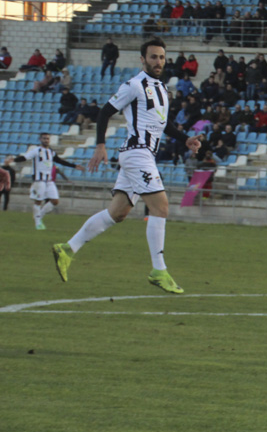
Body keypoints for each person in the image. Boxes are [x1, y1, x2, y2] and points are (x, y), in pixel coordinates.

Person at [51, 38, 201, 294]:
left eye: (162, 57)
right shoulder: (134, 85)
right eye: (153, 57)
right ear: (142, 60)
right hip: (137, 154)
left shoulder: (163, 90)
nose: (158, 62)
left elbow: (163, 125)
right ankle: (159, 270)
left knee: (117, 213)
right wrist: (100, 145)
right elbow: (104, 112)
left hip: (144, 156)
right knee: (161, 207)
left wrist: (185, 138)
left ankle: (67, 249)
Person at [5, 133, 82, 229]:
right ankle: (38, 224)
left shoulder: (51, 151)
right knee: (38, 201)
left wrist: (74, 166)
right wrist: (13, 160)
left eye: (48, 139)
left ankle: (39, 215)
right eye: (44, 138)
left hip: (49, 181)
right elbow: (25, 157)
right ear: (40, 139)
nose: (46, 140)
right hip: (39, 180)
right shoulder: (36, 151)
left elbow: (59, 160)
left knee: (55, 201)